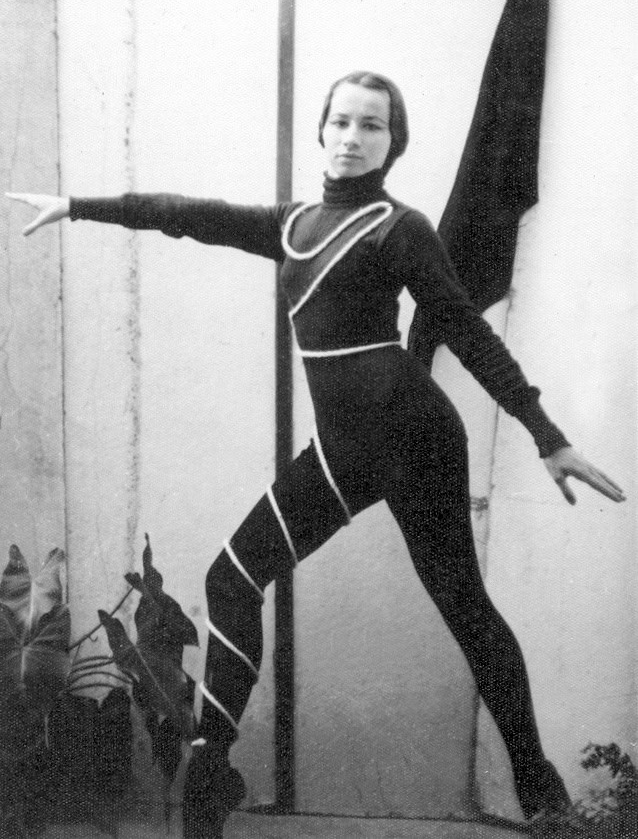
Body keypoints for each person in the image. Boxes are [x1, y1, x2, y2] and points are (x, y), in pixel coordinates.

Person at [6, 71, 626, 838]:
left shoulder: (397, 227)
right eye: (342, 120)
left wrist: (546, 433)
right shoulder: (291, 224)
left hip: (418, 442)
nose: (353, 137)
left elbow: (465, 329)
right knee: (233, 576)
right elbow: (183, 214)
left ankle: (546, 804)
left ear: (393, 143)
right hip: (342, 451)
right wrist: (77, 205)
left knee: (466, 610)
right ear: (322, 129)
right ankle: (211, 771)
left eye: (373, 125)